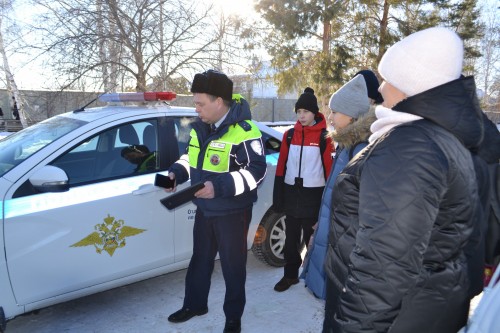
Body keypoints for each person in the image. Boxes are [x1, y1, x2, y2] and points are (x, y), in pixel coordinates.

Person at [323, 27, 487, 333]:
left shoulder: (410, 148)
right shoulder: (443, 140)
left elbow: (384, 264)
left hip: (396, 316)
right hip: (427, 307)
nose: (382, 88)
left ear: (410, 83)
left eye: (388, 78)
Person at [166, 69, 267, 333]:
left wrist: (218, 187)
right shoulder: (199, 128)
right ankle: (195, 305)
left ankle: (233, 318)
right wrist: (175, 174)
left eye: (200, 103)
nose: (196, 108)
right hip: (204, 210)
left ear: (219, 102)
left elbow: (257, 172)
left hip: (232, 213)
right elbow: (190, 158)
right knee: (200, 260)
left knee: (234, 268)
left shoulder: (245, 131)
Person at [301, 73, 376, 300]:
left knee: (335, 296)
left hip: (342, 237)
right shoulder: (346, 144)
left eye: (335, 111)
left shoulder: (360, 149)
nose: (330, 116)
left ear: (352, 115)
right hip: (332, 229)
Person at [272, 87, 334, 292]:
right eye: (299, 112)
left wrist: (330, 200)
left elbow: (329, 171)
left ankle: (316, 278)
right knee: (290, 240)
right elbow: (281, 166)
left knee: (312, 239)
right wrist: (278, 194)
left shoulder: (325, 137)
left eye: (305, 112)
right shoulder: (289, 136)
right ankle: (290, 275)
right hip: (292, 193)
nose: (302, 116)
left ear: (314, 113)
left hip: (313, 196)